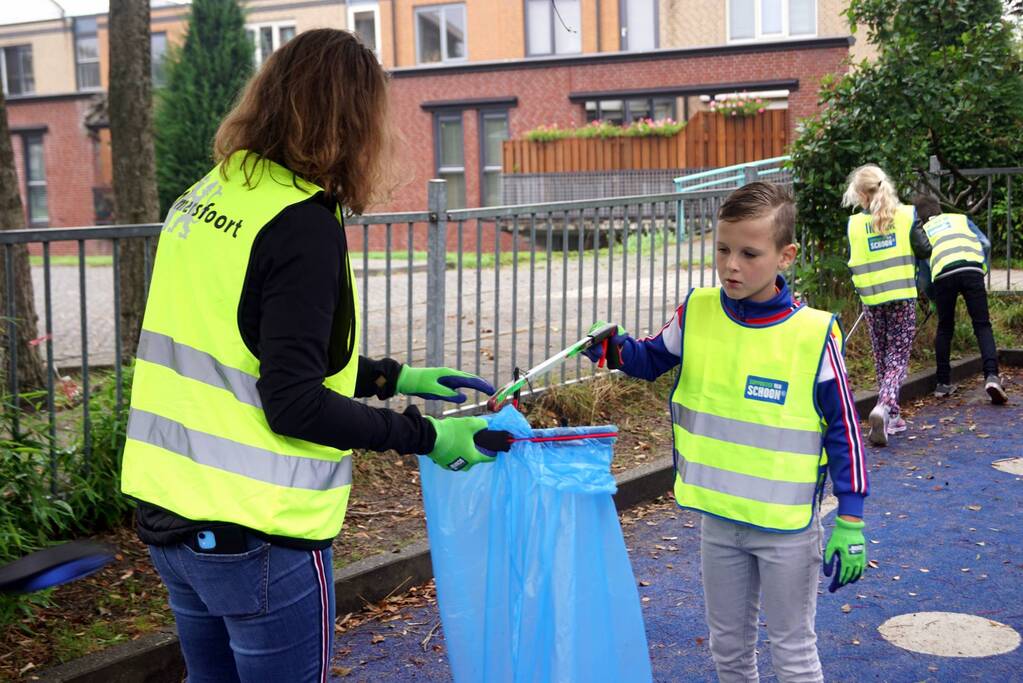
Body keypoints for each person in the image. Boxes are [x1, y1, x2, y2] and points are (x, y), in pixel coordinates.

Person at [119, 30, 507, 683]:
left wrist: (390, 376)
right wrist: (427, 433)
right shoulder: (300, 222)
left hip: (171, 516)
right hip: (256, 532)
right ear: (354, 123)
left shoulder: (208, 196)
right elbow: (293, 401)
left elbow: (244, 351)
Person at [584, 182, 868, 683]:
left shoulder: (814, 334)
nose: (731, 265)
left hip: (787, 529)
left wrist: (851, 517)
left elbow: (844, 430)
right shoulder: (697, 311)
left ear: (785, 256)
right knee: (729, 652)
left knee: (793, 653)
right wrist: (614, 350)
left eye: (749, 253)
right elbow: (651, 358)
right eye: (722, 249)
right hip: (719, 519)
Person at [842, 164, 919, 447]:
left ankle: (893, 418)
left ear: (862, 195)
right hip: (901, 296)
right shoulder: (907, 216)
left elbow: (851, 260)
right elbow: (924, 248)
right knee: (897, 358)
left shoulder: (854, 225)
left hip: (872, 299)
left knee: (882, 355)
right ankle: (885, 407)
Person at [911, 194, 1007, 404]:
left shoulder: (923, 233)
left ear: (918, 217)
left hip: (943, 275)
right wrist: (982, 269)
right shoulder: (961, 219)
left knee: (945, 327)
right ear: (939, 209)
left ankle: (943, 383)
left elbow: (925, 274)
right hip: (972, 269)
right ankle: (992, 377)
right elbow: (986, 243)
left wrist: (933, 298)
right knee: (982, 325)